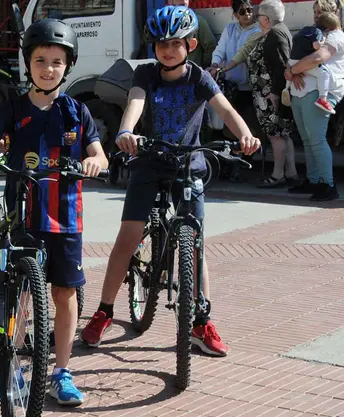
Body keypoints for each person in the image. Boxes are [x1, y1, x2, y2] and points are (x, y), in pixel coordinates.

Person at [80, 6, 261, 357]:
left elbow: (225, 109)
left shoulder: (198, 77)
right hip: (149, 163)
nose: (168, 50)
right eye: (161, 44)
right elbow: (135, 102)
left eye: (176, 43)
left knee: (195, 243)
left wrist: (246, 135)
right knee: (128, 237)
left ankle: (201, 322)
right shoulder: (146, 74)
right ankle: (104, 312)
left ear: (190, 44)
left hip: (188, 167)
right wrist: (126, 131)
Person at [0, 18, 108, 407]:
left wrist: (96, 162)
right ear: (28, 63)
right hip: (23, 217)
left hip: (66, 218)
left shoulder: (77, 111)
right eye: (40, 60)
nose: (48, 68)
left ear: (67, 66)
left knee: (65, 292)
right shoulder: (14, 108)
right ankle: (12, 371)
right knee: (19, 294)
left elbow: (99, 153)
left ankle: (61, 373)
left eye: (57, 62)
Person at [286, 0, 344, 201]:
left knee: (317, 140)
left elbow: (318, 58)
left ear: (334, 12)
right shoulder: (315, 32)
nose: (317, 15)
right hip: (302, 91)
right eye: (315, 11)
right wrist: (291, 71)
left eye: (322, 11)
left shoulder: (336, 36)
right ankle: (313, 180)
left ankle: (328, 185)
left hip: (320, 93)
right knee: (308, 140)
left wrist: (292, 70)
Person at [245, 0, 297, 189]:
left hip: (269, 96)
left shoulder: (275, 34)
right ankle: (291, 173)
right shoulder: (279, 31)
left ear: (266, 19)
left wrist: (274, 94)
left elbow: (281, 66)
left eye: (258, 16)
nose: (256, 19)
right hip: (271, 94)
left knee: (275, 136)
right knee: (283, 134)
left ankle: (277, 175)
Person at [207, 0, 262, 140]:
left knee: (249, 128)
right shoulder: (230, 29)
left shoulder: (259, 30)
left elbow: (244, 55)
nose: (247, 14)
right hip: (230, 87)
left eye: (249, 10)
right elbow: (220, 49)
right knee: (228, 127)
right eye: (242, 11)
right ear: (235, 15)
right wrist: (215, 64)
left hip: (250, 88)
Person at [167, 0, 217, 68]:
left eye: (183, 5)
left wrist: (202, 67)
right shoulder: (164, 23)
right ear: (170, 1)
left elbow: (210, 46)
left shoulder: (198, 21)